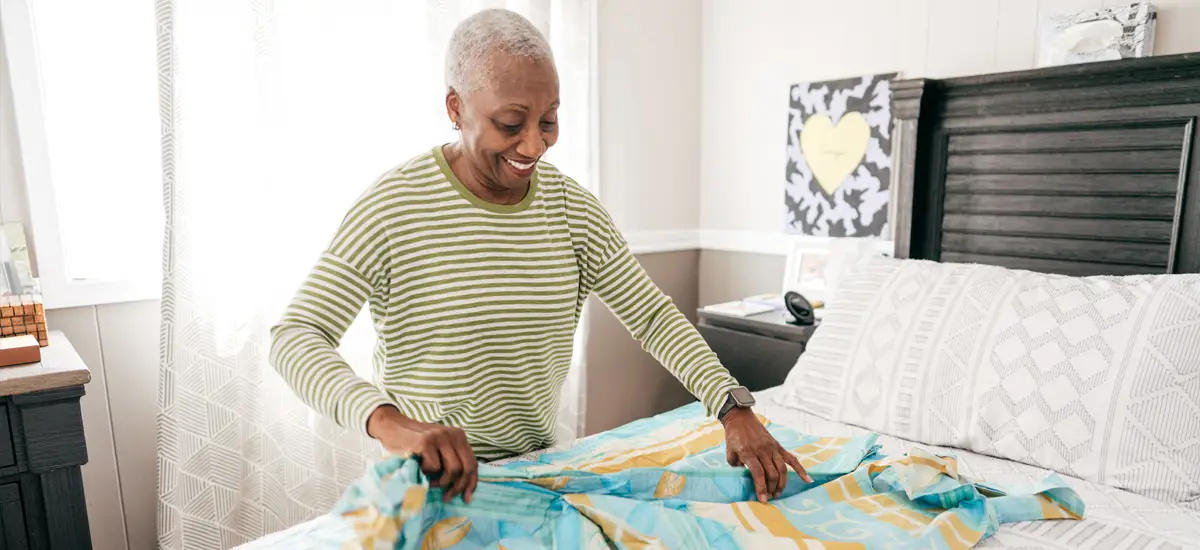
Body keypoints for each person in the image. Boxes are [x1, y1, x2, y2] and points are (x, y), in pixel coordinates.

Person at [269, 8, 810, 507]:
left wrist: (732, 406)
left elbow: (651, 316)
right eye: (511, 124)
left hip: (536, 473)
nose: (533, 146)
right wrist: (391, 422)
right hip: (427, 484)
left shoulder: (571, 208)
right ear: (456, 108)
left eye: (548, 121)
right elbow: (296, 336)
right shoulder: (394, 206)